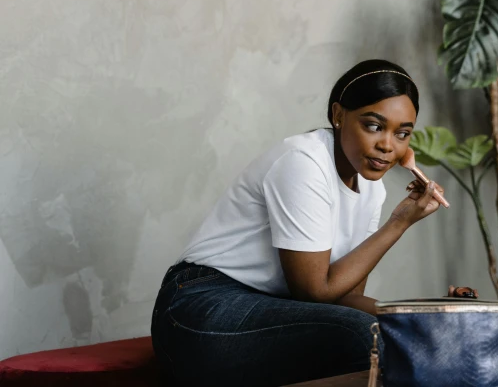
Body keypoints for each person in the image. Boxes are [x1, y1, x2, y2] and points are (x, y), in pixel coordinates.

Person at [150, 59, 467, 386]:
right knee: (364, 336)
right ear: (339, 115)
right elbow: (315, 291)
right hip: (200, 306)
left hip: (273, 307)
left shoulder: (371, 188)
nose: (388, 145)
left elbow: (344, 297)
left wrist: (422, 317)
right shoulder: (303, 163)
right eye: (374, 125)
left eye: (402, 133)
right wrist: (399, 222)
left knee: (397, 334)